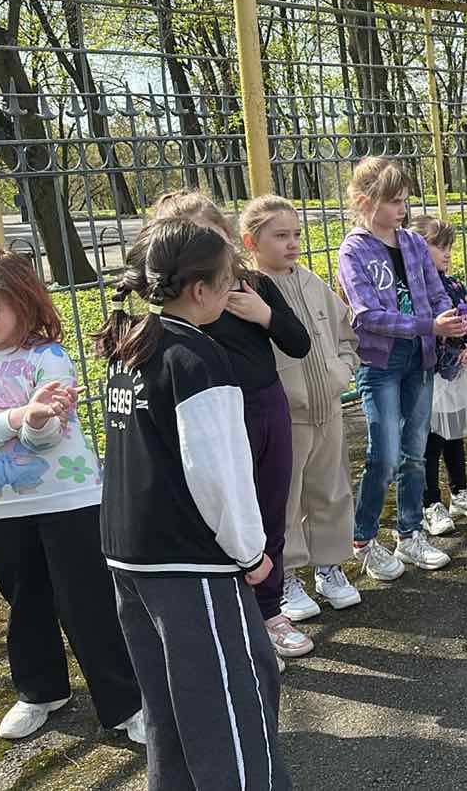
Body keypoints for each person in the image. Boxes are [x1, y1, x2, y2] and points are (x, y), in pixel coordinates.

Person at [94, 217, 291, 790]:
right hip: (189, 563)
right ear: (201, 289)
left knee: (168, 708)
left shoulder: (132, 344)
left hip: (130, 555)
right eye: (228, 282)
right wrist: (251, 552)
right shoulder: (198, 359)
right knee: (231, 703)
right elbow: (219, 474)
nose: (233, 292)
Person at [0, 249, 144, 743]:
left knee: (87, 602)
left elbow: (47, 436)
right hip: (0, 507)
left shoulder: (48, 358)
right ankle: (40, 690)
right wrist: (17, 417)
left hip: (69, 500)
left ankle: (125, 702)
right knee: (24, 599)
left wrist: (30, 423)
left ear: (23, 303)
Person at [151, 190, 315, 659]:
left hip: (267, 408)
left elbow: (299, 342)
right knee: (225, 516)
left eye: (214, 236)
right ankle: (233, 621)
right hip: (216, 418)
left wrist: (264, 315)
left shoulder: (254, 284)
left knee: (270, 513)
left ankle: (271, 612)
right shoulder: (183, 302)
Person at [336, 157, 467, 579]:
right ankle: (364, 538)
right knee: (385, 454)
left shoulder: (412, 243)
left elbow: (434, 292)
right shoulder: (354, 250)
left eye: (405, 200)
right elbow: (365, 315)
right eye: (394, 201)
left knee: (415, 451)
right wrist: (429, 325)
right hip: (380, 363)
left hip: (420, 359)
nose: (402, 209)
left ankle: (410, 533)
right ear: (365, 201)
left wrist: (451, 319)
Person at [238, 195, 363, 620]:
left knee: (331, 489)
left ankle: (329, 567)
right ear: (250, 241)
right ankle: (287, 575)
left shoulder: (312, 282)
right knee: (285, 499)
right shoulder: (248, 290)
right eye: (280, 236)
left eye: (296, 234)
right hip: (286, 417)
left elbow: (347, 336)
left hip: (328, 408)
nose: (292, 243)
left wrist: (342, 372)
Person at [408, 214, 467, 536]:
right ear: (418, 249)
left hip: (457, 375)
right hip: (429, 376)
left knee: (454, 435)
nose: (447, 253)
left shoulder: (454, 286)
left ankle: (459, 492)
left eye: (449, 247)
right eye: (439, 246)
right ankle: (430, 503)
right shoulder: (413, 290)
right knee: (430, 443)